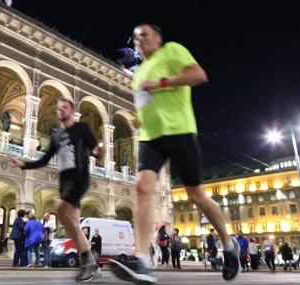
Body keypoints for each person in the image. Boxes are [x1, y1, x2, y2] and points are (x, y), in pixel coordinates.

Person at [109, 23, 240, 284]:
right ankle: (142, 260)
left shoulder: (172, 51)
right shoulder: (137, 73)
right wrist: (138, 120)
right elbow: (146, 105)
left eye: (144, 34)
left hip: (180, 131)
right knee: (142, 188)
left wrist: (161, 82)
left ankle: (228, 244)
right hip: (151, 139)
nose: (139, 39)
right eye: (135, 36)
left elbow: (199, 75)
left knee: (196, 195)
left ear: (157, 38)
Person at [7, 98, 104, 282]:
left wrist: (98, 151)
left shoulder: (82, 128)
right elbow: (44, 160)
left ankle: (87, 262)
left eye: (64, 107)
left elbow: (94, 148)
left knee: (59, 208)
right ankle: (92, 264)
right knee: (74, 227)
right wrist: (23, 164)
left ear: (71, 110)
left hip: (79, 177)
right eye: (59, 108)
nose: (61, 110)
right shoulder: (57, 136)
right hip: (64, 182)